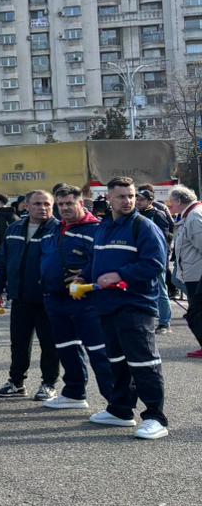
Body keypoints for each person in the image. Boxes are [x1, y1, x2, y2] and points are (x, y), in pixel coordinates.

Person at [86, 177, 170, 439]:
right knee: (117, 360)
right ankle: (121, 410)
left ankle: (156, 417)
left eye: (131, 196)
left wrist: (119, 275)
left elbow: (155, 264)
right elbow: (96, 259)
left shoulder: (143, 227)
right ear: (108, 198)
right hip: (108, 305)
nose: (128, 201)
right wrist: (84, 277)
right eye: (121, 196)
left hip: (135, 305)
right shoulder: (104, 227)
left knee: (144, 362)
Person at [38, 185, 107, 414]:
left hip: (85, 301)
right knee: (67, 348)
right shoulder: (54, 229)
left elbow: (103, 259)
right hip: (55, 300)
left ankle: (117, 405)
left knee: (98, 352)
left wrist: (85, 275)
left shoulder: (96, 229)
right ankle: (74, 393)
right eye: (61, 204)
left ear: (81, 203)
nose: (65, 208)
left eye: (69, 203)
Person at [0, 190, 61, 401]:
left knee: (50, 344)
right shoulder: (14, 228)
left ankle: (48, 383)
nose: (43, 207)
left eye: (47, 204)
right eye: (37, 204)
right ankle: (16, 382)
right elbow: (2, 260)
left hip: (47, 298)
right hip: (20, 296)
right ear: (26, 206)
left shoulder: (57, 229)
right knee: (19, 342)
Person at [167, 185, 202, 359]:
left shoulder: (194, 216)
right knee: (196, 313)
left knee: (195, 314)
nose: (169, 205)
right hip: (193, 273)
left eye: (171, 201)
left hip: (197, 275)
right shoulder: (191, 215)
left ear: (180, 201)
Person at [136, 187, 176, 330]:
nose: (138, 202)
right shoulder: (134, 214)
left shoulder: (157, 214)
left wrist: (161, 261)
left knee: (161, 290)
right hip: (138, 259)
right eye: (137, 199)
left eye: (141, 199)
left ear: (150, 200)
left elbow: (163, 241)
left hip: (155, 259)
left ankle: (165, 323)